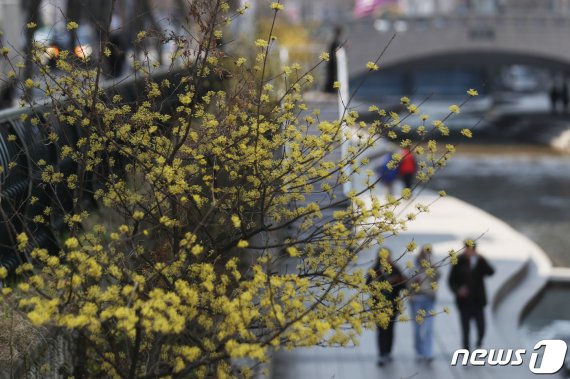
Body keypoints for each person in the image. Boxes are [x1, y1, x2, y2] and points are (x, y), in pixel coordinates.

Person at [448, 240, 495, 351]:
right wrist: (458, 291)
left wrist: (482, 259)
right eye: (467, 249)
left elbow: (491, 272)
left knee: (481, 327)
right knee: (465, 328)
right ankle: (466, 350)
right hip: (464, 302)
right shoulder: (458, 261)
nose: (468, 251)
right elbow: (451, 280)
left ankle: (479, 343)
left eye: (470, 249)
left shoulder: (480, 260)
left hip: (478, 301)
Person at [367, 249, 407, 366]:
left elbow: (404, 284)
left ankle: (388, 352)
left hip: (393, 306)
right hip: (378, 307)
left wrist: (396, 282)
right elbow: (368, 285)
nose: (387, 259)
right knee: (381, 331)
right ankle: (381, 353)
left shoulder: (395, 269)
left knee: (390, 330)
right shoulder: (375, 270)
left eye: (388, 256)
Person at [409, 244, 439, 363]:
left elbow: (438, 276)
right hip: (417, 299)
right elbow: (409, 280)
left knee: (428, 327)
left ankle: (428, 352)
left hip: (429, 298)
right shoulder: (415, 266)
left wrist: (432, 263)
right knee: (417, 328)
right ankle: (419, 351)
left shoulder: (433, 266)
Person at [323, 26, 342, 93]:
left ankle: (330, 89)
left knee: (331, 76)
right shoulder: (335, 40)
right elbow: (335, 48)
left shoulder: (334, 39)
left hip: (331, 61)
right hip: (332, 61)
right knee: (331, 76)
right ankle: (330, 90)